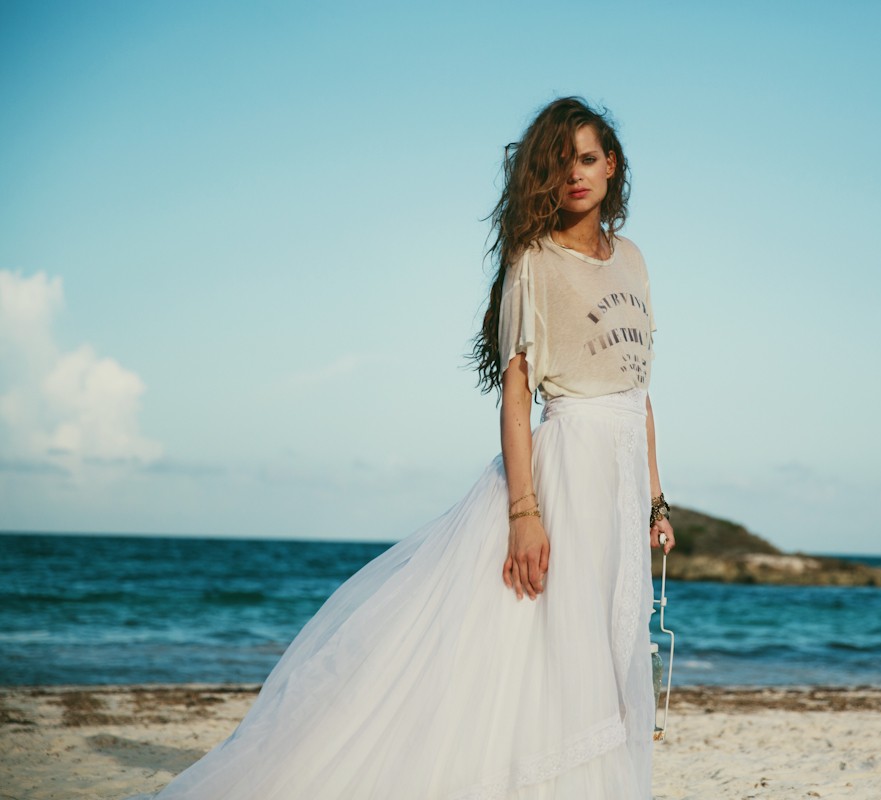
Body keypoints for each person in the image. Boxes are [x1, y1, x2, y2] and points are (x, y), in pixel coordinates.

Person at [136, 96, 675, 799]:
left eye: (587, 158)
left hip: (620, 480)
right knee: (559, 654)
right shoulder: (534, 262)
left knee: (608, 649)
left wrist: (656, 499)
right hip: (567, 469)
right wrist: (524, 512)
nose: (575, 173)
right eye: (560, 162)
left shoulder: (632, 259)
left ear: (612, 165)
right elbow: (516, 395)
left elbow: (639, 393)